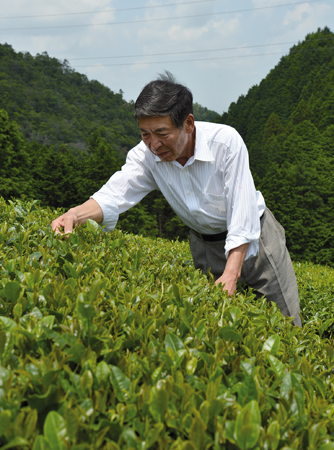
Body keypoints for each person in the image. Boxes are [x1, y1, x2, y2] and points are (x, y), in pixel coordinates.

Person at [51, 72, 301, 327]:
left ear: (188, 123)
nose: (153, 144)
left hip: (258, 241)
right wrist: (74, 214)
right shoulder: (146, 155)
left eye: (162, 133)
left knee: (286, 324)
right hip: (204, 244)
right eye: (145, 134)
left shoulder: (225, 143)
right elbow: (115, 193)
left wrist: (232, 272)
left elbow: (242, 211)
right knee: (217, 327)